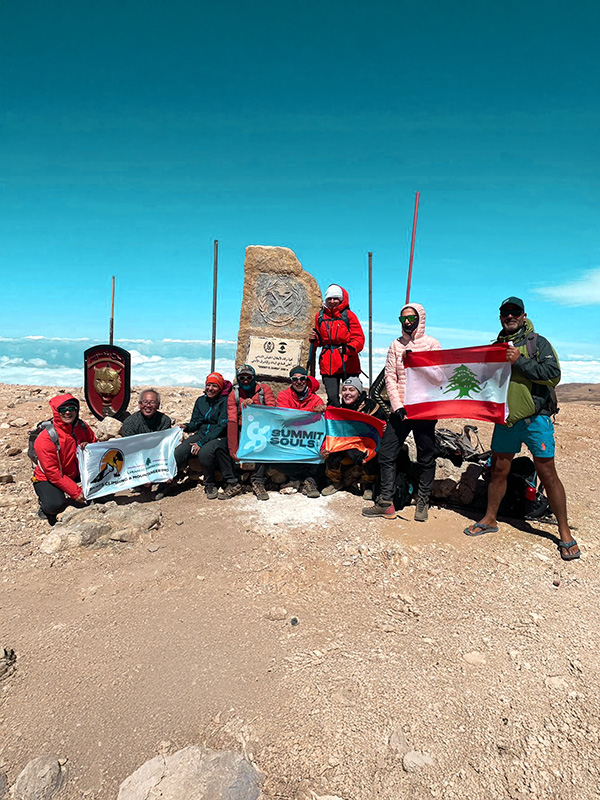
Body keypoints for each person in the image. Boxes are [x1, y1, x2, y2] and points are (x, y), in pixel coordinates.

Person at [464, 296, 580, 560]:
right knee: (498, 470)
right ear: (500, 317)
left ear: (524, 316)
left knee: (547, 473)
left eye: (515, 312)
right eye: (505, 312)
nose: (510, 316)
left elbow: (553, 374)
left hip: (535, 419)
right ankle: (490, 518)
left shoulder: (537, 343)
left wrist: (519, 361)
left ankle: (564, 532)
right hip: (506, 420)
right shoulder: (495, 346)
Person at [362, 303, 441, 521]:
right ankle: (385, 503)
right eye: (403, 318)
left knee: (426, 456)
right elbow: (390, 377)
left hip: (424, 409)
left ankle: (423, 500)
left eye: (411, 318)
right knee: (386, 453)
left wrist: (417, 361)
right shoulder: (395, 345)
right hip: (401, 410)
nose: (407, 322)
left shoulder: (432, 344)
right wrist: (397, 406)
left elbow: (439, 377)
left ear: (420, 319)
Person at [32, 394, 97, 523]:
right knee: (54, 506)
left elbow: (95, 444)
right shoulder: (46, 437)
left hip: (75, 471)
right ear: (56, 412)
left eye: (71, 408)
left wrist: (89, 446)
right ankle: (45, 506)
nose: (67, 412)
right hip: (48, 476)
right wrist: (76, 492)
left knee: (103, 492)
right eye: (62, 409)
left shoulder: (82, 427)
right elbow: (52, 471)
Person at [322, 376, 387, 499]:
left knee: (372, 453)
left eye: (351, 390)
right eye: (344, 389)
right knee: (332, 449)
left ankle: (367, 484)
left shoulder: (372, 407)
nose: (347, 393)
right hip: (348, 449)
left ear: (359, 392)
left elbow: (380, 427)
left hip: (366, 448)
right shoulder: (340, 410)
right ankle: (335, 482)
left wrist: (384, 427)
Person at [174, 372, 236, 499]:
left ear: (220, 388)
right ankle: (171, 480)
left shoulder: (224, 402)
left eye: (215, 386)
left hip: (219, 436)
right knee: (180, 451)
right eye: (208, 385)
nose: (210, 388)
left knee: (204, 452)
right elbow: (196, 423)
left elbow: (221, 426)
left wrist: (201, 443)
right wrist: (186, 426)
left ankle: (210, 483)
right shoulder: (201, 401)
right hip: (202, 434)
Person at [309, 284, 365, 407]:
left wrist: (348, 348)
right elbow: (320, 341)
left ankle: (351, 418)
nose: (332, 301)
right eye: (330, 298)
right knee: (332, 399)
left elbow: (359, 338)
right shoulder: (320, 316)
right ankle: (334, 418)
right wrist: (315, 339)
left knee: (350, 399)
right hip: (328, 364)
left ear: (341, 299)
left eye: (336, 298)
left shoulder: (349, 315)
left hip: (347, 362)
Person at [226, 364, 276, 500]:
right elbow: (232, 420)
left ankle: (258, 481)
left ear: (254, 377)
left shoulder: (264, 390)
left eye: (249, 377)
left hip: (262, 427)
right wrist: (233, 449)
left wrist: (254, 405)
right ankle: (235, 482)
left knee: (265, 445)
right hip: (243, 428)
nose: (246, 381)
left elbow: (271, 409)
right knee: (225, 447)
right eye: (242, 378)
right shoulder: (234, 394)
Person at [276, 366, 327, 498]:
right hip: (290, 440)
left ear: (306, 380)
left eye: (302, 378)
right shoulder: (283, 396)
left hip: (308, 441)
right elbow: (286, 417)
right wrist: (311, 413)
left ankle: (308, 482)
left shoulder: (316, 400)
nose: (299, 382)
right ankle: (305, 479)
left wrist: (323, 448)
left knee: (323, 458)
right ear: (291, 381)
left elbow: (321, 426)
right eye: (295, 379)